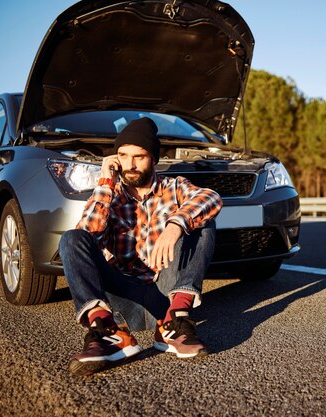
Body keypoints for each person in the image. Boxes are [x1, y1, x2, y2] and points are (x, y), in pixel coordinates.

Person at [59, 117, 222, 376]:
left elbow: (211, 198)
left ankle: (174, 323)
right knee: (71, 238)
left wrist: (176, 224)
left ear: (153, 159)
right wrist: (104, 184)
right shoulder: (109, 194)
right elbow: (86, 234)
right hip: (124, 298)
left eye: (140, 156)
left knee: (201, 222)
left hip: (165, 291)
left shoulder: (174, 186)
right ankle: (108, 332)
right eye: (123, 155)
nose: (130, 164)